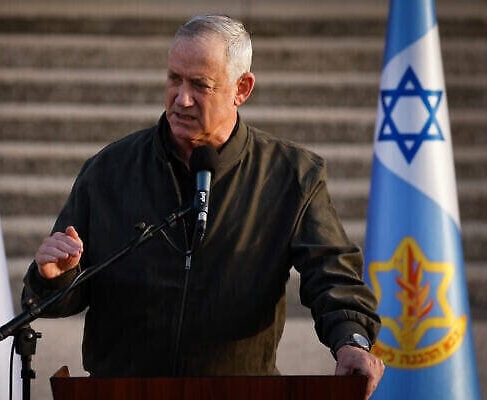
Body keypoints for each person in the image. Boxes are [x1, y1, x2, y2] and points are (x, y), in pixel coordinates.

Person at [22, 14, 384, 399]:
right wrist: (55, 277)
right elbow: (59, 297)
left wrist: (351, 340)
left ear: (241, 88)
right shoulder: (109, 170)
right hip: (122, 390)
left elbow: (332, 274)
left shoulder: (291, 176)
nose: (182, 99)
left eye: (200, 85)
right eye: (174, 79)